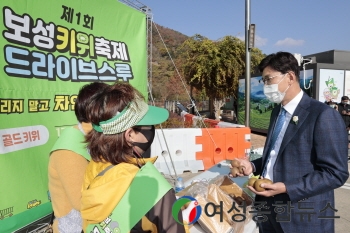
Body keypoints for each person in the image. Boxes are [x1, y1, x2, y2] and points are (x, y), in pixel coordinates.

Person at [230, 52, 349, 233]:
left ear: (290, 77)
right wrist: (252, 167)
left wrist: (287, 187)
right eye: (263, 81)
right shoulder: (277, 112)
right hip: (268, 210)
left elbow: (335, 173)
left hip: (301, 217)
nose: (266, 86)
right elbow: (276, 155)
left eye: (269, 79)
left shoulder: (322, 115)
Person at [80, 82, 188, 233]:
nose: (152, 129)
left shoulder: (94, 166)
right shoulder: (153, 186)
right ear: (130, 135)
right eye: (149, 125)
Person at [48, 82, 109, 233]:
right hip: (74, 227)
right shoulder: (69, 150)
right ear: (96, 111)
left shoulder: (98, 137)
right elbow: (82, 202)